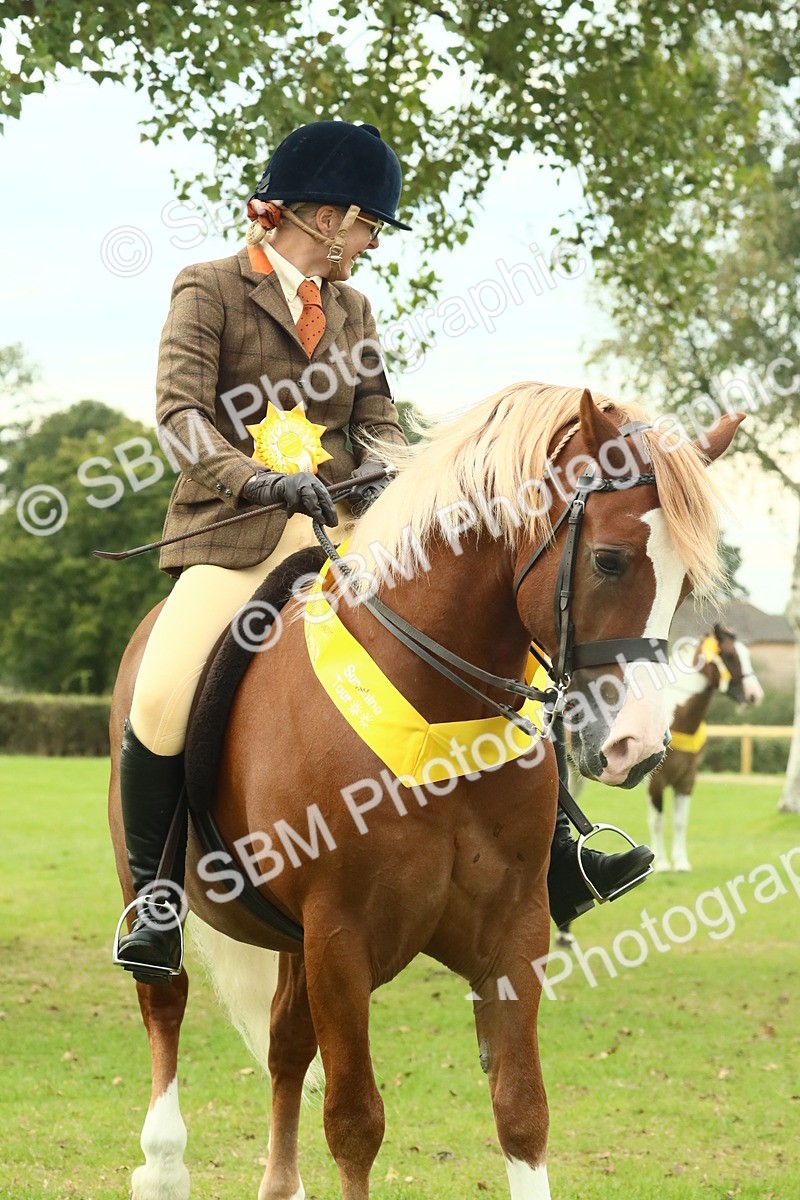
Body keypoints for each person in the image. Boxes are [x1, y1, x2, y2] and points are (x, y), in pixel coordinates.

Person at [114, 120, 651, 984]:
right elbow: (181, 416)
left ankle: (562, 848)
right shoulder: (207, 288)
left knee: (492, 643)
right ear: (325, 218)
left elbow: (377, 418)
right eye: (368, 225)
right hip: (236, 532)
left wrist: (388, 472)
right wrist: (258, 480)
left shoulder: (353, 310)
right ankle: (155, 902)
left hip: (346, 532)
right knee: (163, 690)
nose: (371, 243)